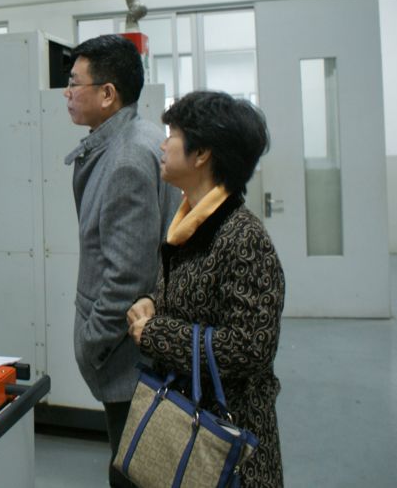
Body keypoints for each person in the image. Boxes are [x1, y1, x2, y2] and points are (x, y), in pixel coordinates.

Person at [127, 90, 285, 487]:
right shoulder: (190, 224)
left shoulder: (244, 238)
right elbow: (196, 301)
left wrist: (155, 333)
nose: (162, 145)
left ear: (201, 154)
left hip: (228, 444)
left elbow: (250, 347)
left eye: (172, 135)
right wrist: (151, 302)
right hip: (186, 423)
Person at [63, 34, 180, 487]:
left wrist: (91, 344)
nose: (67, 93)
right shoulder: (142, 135)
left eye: (75, 83)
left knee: (130, 470)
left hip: (124, 358)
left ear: (108, 93)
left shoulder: (126, 159)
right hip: (133, 352)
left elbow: (127, 280)